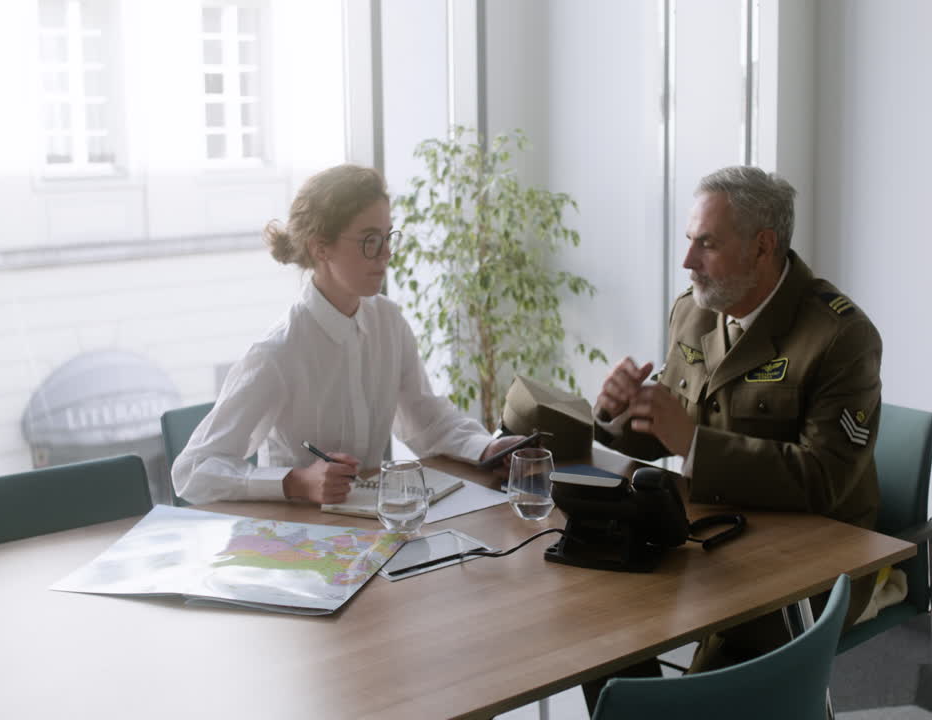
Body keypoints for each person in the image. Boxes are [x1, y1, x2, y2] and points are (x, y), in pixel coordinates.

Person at [587, 166, 882, 701]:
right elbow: (669, 425)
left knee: (705, 690)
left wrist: (693, 444)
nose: (687, 261)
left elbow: (825, 480)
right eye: (689, 241)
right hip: (714, 535)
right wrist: (617, 413)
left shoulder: (840, 335)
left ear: (762, 247)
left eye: (707, 244)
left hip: (811, 564)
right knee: (594, 622)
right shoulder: (694, 312)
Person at [172, 164, 525, 505]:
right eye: (370, 240)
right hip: (297, 531)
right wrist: (297, 482)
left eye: (387, 237)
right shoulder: (279, 351)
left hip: (369, 525)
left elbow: (426, 420)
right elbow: (191, 471)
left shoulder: (389, 322)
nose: (386, 254)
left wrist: (487, 448)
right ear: (320, 247)